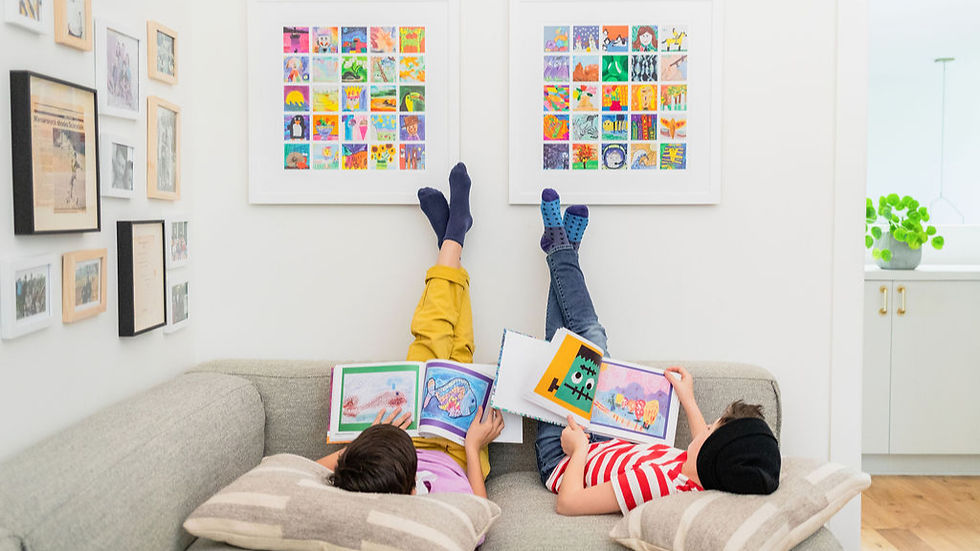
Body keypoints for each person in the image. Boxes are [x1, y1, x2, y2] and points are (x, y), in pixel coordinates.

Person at [533, 188, 781, 516]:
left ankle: (563, 249)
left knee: (570, 345)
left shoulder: (658, 484)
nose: (703, 427)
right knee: (590, 343)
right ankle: (562, 249)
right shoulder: (702, 474)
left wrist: (577, 450)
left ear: (710, 453)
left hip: (563, 458)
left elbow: (568, 504)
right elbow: (704, 442)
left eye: (709, 429)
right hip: (602, 440)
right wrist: (688, 399)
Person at [316, 162, 505, 498]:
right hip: (462, 446)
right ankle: (451, 239)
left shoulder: (373, 485)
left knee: (431, 335)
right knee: (461, 348)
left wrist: (370, 442)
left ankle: (453, 238)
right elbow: (481, 511)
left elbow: (312, 470)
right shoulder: (436, 515)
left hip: (407, 437)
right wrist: (474, 448)